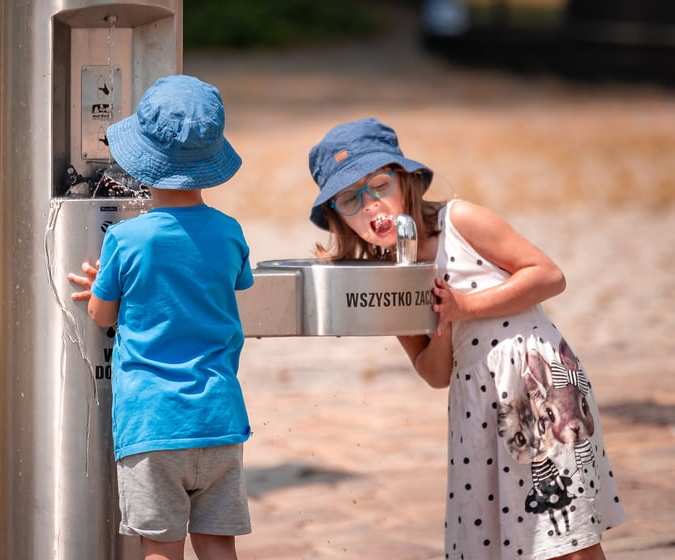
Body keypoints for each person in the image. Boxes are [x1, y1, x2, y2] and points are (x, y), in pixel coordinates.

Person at [307, 117, 625, 560]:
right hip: (477, 404)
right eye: (349, 199)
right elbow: (435, 373)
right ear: (337, 218)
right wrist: (443, 326)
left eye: (378, 185)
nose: (370, 206)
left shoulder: (460, 220)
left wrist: (468, 306)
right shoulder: (390, 276)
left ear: (405, 180)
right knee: (506, 539)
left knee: (566, 541)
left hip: (537, 384)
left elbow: (549, 276)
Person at [68, 74, 254, 560]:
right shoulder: (230, 231)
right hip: (219, 418)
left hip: (153, 422)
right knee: (218, 545)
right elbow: (231, 284)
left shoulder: (126, 239)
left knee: (159, 549)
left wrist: (100, 290)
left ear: (143, 164)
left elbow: (101, 315)